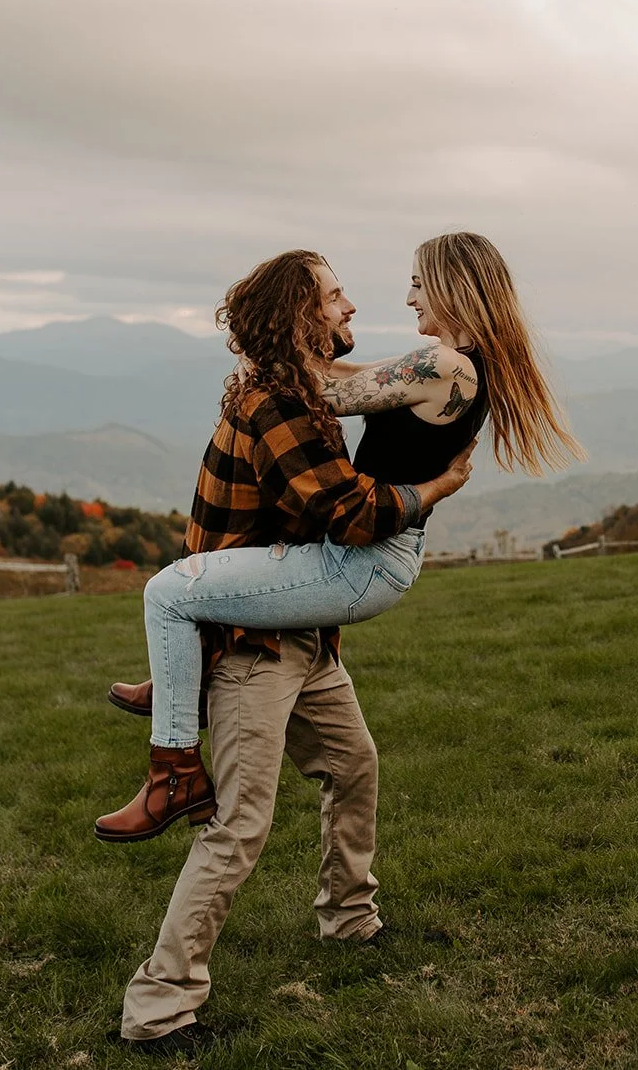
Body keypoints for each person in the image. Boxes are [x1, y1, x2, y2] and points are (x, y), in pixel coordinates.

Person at [97, 232, 583, 847]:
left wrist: (267, 345)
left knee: (168, 592)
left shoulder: (445, 365)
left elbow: (325, 391)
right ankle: (179, 685)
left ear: (449, 286)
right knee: (200, 599)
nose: (408, 298)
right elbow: (354, 377)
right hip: (373, 554)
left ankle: (174, 772)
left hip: (366, 557)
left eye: (416, 282)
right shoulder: (452, 365)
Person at [112, 248, 474, 1051]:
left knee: (353, 765)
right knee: (239, 823)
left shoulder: (298, 391)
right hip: (255, 647)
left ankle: (349, 920)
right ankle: (158, 1007)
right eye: (336, 296)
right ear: (302, 314)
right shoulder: (277, 400)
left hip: (303, 636)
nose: (352, 307)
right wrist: (434, 491)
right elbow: (345, 515)